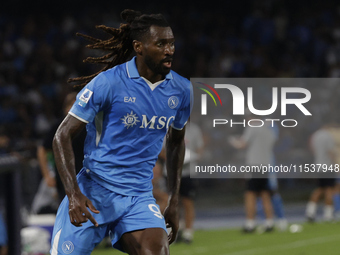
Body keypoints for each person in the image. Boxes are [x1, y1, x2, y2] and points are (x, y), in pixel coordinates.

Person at [50, 9, 192, 255]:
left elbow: (177, 142)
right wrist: (73, 194)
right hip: (94, 191)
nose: (169, 50)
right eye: (161, 44)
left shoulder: (182, 90)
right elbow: (61, 136)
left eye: (171, 43)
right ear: (139, 47)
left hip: (138, 196)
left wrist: (174, 199)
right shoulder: (108, 83)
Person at [229, 113, 276, 233]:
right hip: (265, 165)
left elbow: (242, 144)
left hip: (254, 165)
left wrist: (232, 141)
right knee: (265, 194)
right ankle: (269, 222)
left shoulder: (252, 127)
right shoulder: (267, 130)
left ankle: (250, 224)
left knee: (250, 194)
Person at [305, 122, 336, 222]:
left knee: (319, 189)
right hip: (327, 166)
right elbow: (330, 152)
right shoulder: (328, 136)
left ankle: (310, 211)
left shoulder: (315, 136)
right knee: (329, 190)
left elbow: (312, 150)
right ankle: (328, 214)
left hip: (318, 165)